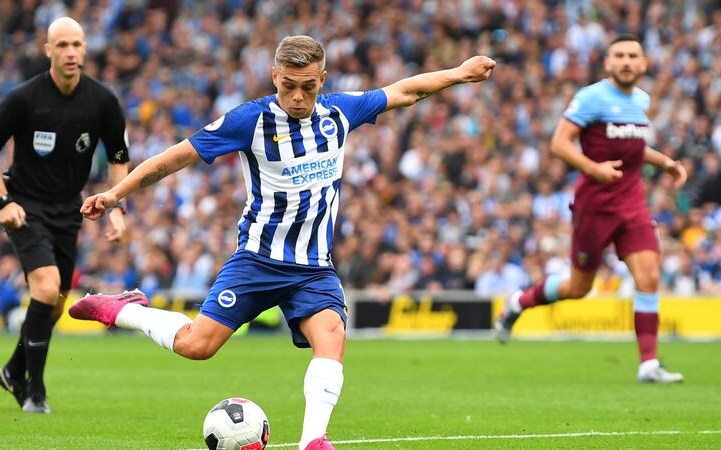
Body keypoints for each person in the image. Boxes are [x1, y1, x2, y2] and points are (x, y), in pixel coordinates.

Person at [69, 35, 495, 449]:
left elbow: (403, 91)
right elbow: (174, 157)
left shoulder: (340, 113)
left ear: (322, 79)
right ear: (274, 76)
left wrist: (459, 73)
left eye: (307, 87)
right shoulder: (249, 121)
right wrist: (113, 195)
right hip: (257, 260)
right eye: (288, 86)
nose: (296, 97)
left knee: (332, 335)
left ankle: (313, 441)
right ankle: (126, 310)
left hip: (313, 268)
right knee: (196, 346)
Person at [493, 34, 687, 384]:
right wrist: (592, 168)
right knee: (578, 287)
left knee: (649, 276)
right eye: (620, 56)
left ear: (644, 64)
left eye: (633, 56)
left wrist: (667, 163)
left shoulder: (641, 100)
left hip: (632, 203)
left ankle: (648, 364)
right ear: (608, 63)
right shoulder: (592, 97)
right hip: (595, 206)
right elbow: (559, 142)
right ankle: (518, 302)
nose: (627, 61)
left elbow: (633, 148)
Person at [0, 17, 131, 413]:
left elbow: (118, 157)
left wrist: (116, 206)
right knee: (45, 289)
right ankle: (35, 392)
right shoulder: (24, 98)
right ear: (48, 51)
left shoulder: (103, 102)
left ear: (85, 49)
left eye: (77, 44)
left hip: (69, 211)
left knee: (56, 304)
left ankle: (12, 369)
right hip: (25, 206)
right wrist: (2, 201)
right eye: (62, 45)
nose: (71, 53)